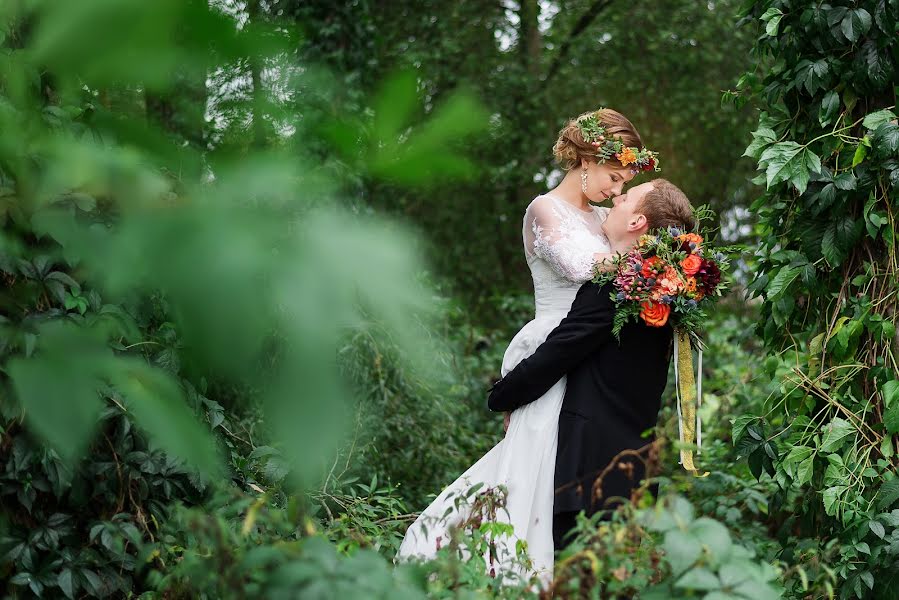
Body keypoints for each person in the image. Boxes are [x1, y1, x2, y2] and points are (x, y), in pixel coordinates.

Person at [396, 108, 652, 584]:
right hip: (552, 345)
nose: (616, 191)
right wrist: (642, 256)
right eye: (613, 178)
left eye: (623, 185)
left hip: (589, 355)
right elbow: (583, 268)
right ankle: (506, 569)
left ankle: (559, 569)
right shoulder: (543, 210)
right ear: (587, 159)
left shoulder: (605, 217)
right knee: (533, 458)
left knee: (564, 461)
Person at [488, 178, 697, 552]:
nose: (617, 197)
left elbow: (558, 353)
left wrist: (501, 397)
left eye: (627, 196)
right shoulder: (664, 297)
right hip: (632, 475)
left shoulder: (613, 289)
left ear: (637, 223)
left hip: (587, 475)